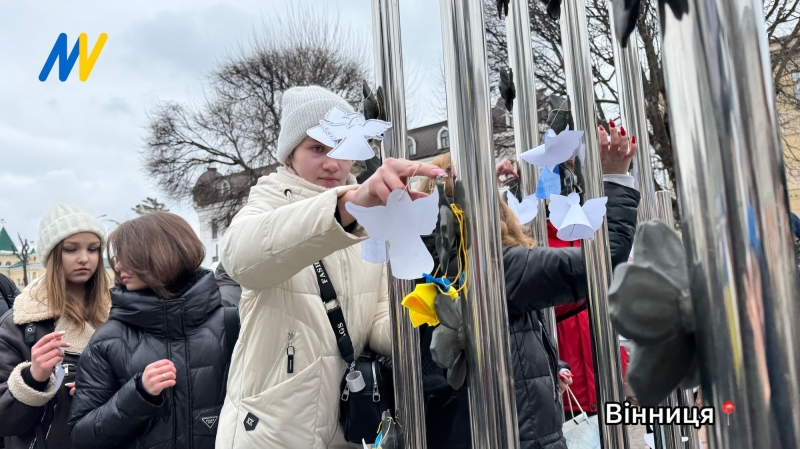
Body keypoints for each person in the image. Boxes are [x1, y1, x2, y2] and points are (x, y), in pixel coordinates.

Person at [215, 85, 444, 448]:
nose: (332, 162)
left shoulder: (370, 219)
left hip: (342, 428)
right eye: (317, 148)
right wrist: (347, 207)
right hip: (269, 433)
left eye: (341, 147)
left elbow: (379, 329)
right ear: (289, 155)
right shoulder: (268, 202)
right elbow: (241, 259)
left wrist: (434, 302)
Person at [417, 122, 640, 449]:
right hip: (521, 433)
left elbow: (509, 342)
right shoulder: (493, 267)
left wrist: (552, 365)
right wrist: (613, 179)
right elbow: (601, 262)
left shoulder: (428, 264)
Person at [69, 212, 231, 449]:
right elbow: (82, 438)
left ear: (164, 252)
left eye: (129, 256)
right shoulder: (108, 339)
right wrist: (137, 395)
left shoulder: (230, 324)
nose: (119, 266)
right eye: (117, 258)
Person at [0, 204, 110, 449]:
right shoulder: (20, 324)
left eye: (93, 249)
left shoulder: (119, 315)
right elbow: (4, 421)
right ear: (51, 256)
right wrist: (34, 378)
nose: (84, 258)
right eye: (71, 249)